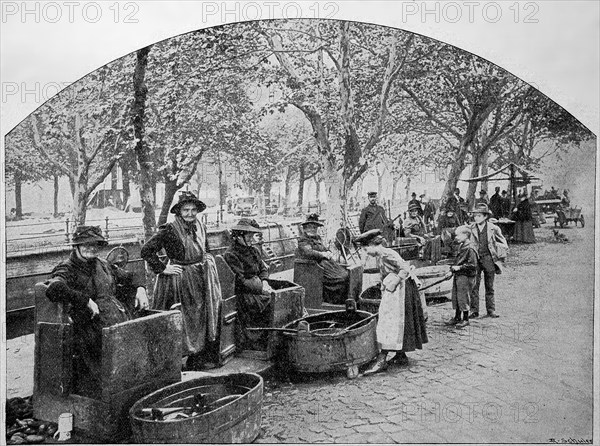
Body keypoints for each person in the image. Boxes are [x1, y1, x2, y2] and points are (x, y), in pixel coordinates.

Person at [44, 225, 149, 398]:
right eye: (86, 244)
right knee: (104, 371)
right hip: (89, 328)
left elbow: (130, 276)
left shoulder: (103, 264)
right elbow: (54, 288)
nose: (91, 248)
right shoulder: (67, 268)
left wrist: (140, 289)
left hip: (116, 320)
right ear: (76, 246)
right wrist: (84, 300)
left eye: (95, 244)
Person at [141, 191, 221, 370]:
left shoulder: (200, 225)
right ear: (179, 212)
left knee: (199, 316)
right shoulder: (169, 230)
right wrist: (163, 268)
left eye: (193, 210)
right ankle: (175, 362)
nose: (190, 213)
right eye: (186, 210)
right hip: (179, 280)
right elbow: (146, 251)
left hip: (199, 278)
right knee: (181, 317)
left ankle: (196, 358)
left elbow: (205, 248)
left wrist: (206, 263)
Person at [354, 229, 428, 375]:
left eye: (366, 248)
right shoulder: (381, 256)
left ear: (374, 245)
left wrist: (395, 281)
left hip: (402, 289)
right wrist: (383, 282)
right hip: (394, 289)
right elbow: (386, 271)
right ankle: (401, 355)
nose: (366, 252)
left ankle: (382, 359)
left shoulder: (388, 254)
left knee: (390, 322)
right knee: (395, 322)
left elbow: (405, 268)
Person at [223, 218, 274, 350]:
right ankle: (256, 340)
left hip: (257, 288)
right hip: (243, 294)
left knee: (279, 297)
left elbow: (263, 269)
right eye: (249, 236)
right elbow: (241, 281)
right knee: (271, 302)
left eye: (253, 236)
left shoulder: (254, 250)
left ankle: (268, 338)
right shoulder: (231, 254)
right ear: (239, 236)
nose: (252, 239)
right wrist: (261, 286)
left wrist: (264, 281)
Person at [296, 214, 349, 304]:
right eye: (310, 227)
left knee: (346, 274)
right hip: (314, 268)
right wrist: (323, 254)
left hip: (326, 264)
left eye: (315, 227)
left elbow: (324, 249)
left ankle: (341, 300)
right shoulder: (303, 240)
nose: (313, 229)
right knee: (341, 278)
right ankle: (333, 301)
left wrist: (328, 252)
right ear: (305, 228)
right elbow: (309, 253)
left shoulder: (318, 238)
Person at [469, 203, 508, 318]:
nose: (476, 218)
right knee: (474, 286)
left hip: (489, 259)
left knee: (489, 286)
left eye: (479, 216)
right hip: (475, 259)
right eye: (475, 216)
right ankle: (474, 311)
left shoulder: (493, 228)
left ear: (485, 216)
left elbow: (503, 243)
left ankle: (491, 310)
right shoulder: (470, 228)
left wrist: (499, 252)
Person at [444, 226, 479, 328]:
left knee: (464, 297)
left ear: (466, 235)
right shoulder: (461, 246)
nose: (456, 237)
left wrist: (458, 268)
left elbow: (473, 265)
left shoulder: (471, 248)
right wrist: (452, 271)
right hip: (459, 275)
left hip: (466, 276)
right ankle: (457, 317)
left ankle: (465, 319)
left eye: (458, 235)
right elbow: (457, 261)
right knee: (457, 296)